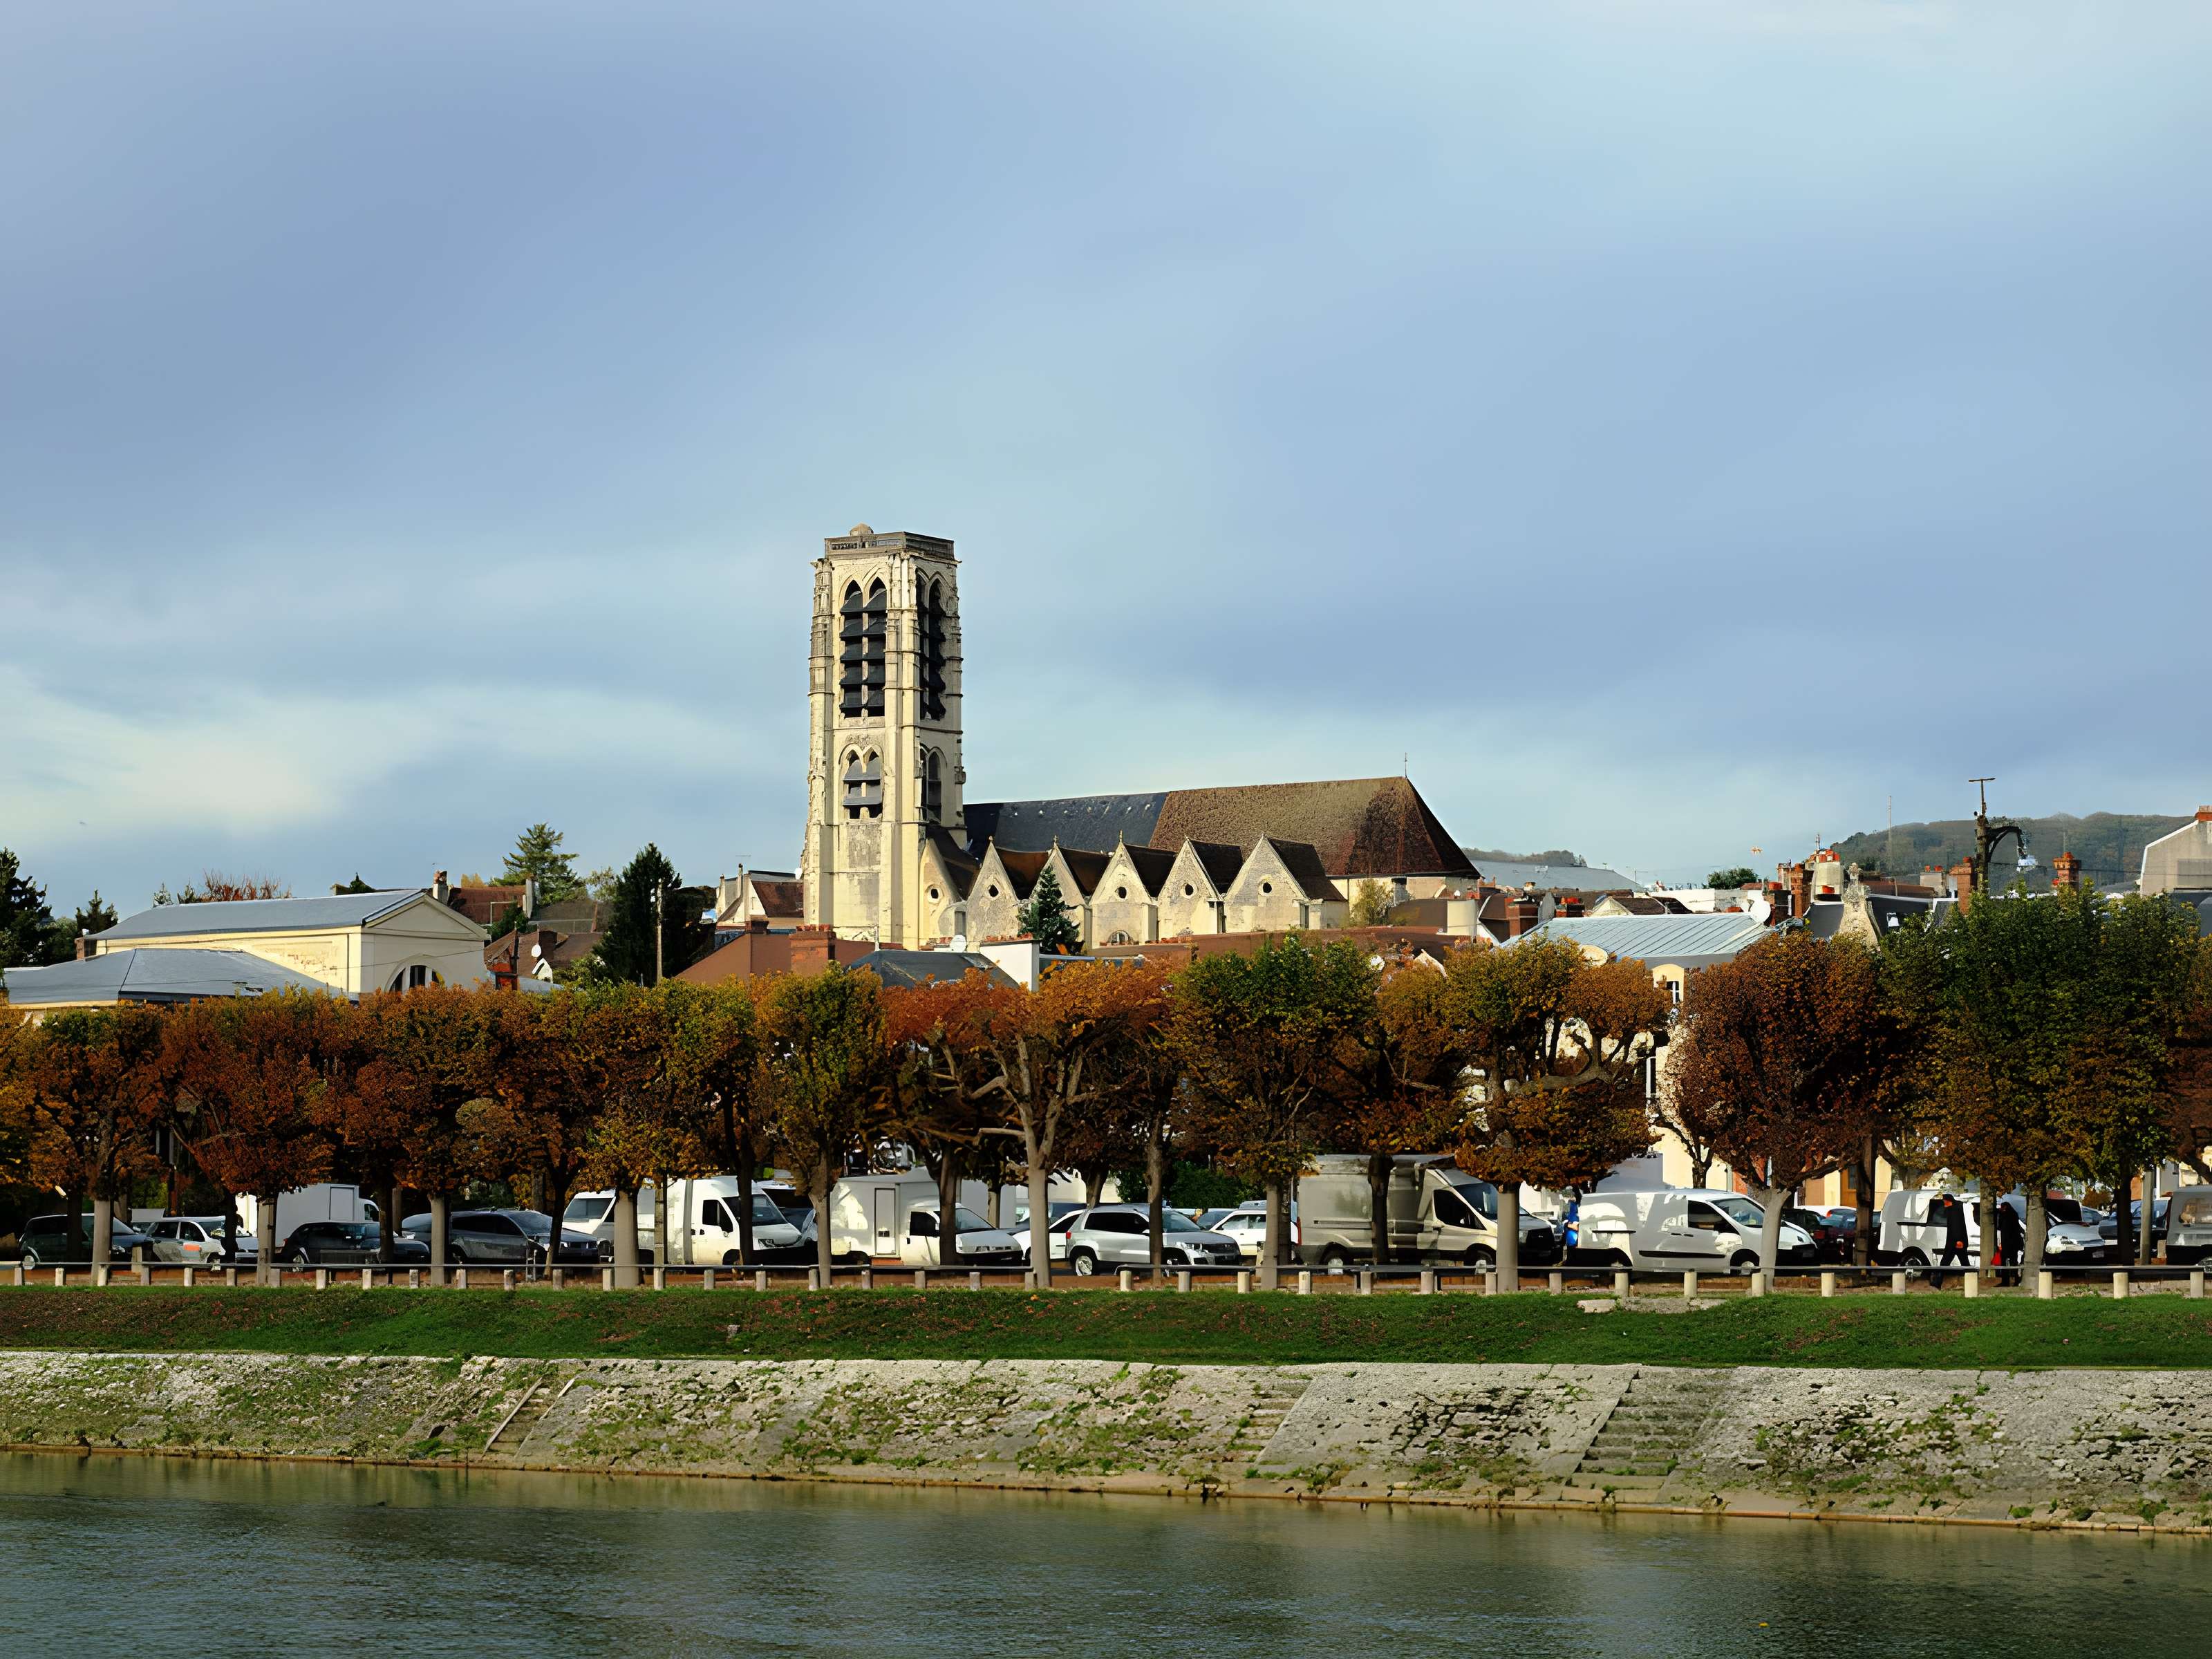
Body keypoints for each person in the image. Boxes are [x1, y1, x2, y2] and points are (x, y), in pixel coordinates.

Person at [1931, 1192, 1971, 1288]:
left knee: (1963, 1263)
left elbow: (1957, 1226)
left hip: (1956, 1243)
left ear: (1948, 1201)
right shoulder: (1952, 1210)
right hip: (1953, 1242)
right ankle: (1938, 1283)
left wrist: (1958, 1240)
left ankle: (1972, 1282)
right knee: (1947, 1263)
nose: (1943, 1202)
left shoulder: (1955, 1211)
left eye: (1944, 1200)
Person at [1994, 1198, 2026, 1288]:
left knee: (2013, 1263)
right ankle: (2007, 1281)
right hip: (2007, 1244)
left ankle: (2014, 1280)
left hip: (2011, 1244)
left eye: (2003, 1208)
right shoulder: (2007, 1216)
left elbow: (2007, 1230)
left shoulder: (2011, 1216)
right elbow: (2000, 1227)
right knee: (2007, 1263)